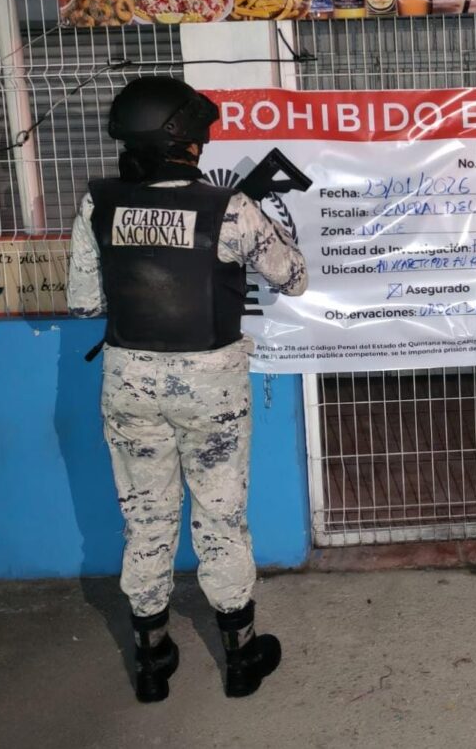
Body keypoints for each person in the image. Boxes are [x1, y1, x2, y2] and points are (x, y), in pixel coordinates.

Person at [67, 76, 308, 701]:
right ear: (186, 142)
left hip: (129, 383)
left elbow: (84, 303)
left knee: (145, 519)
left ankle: (151, 662)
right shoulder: (230, 208)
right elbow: (293, 278)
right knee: (221, 516)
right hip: (210, 387)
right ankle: (241, 658)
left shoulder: (98, 206)